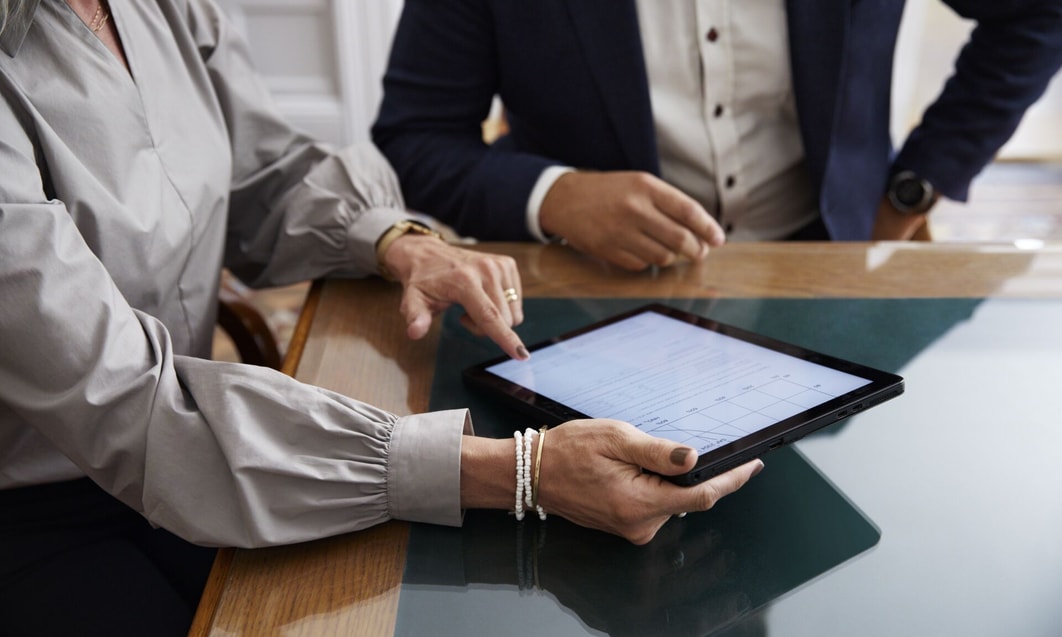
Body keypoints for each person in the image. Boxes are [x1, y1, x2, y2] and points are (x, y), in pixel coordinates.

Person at [0, 1, 763, 635]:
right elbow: (133, 405)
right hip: (40, 508)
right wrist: (521, 471)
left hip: (198, 466)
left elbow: (266, 172)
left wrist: (398, 240)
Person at [372, 0, 1062, 271]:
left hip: (831, 267)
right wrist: (556, 196)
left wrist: (912, 191)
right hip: (590, 285)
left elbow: (1036, 15)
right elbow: (417, 137)